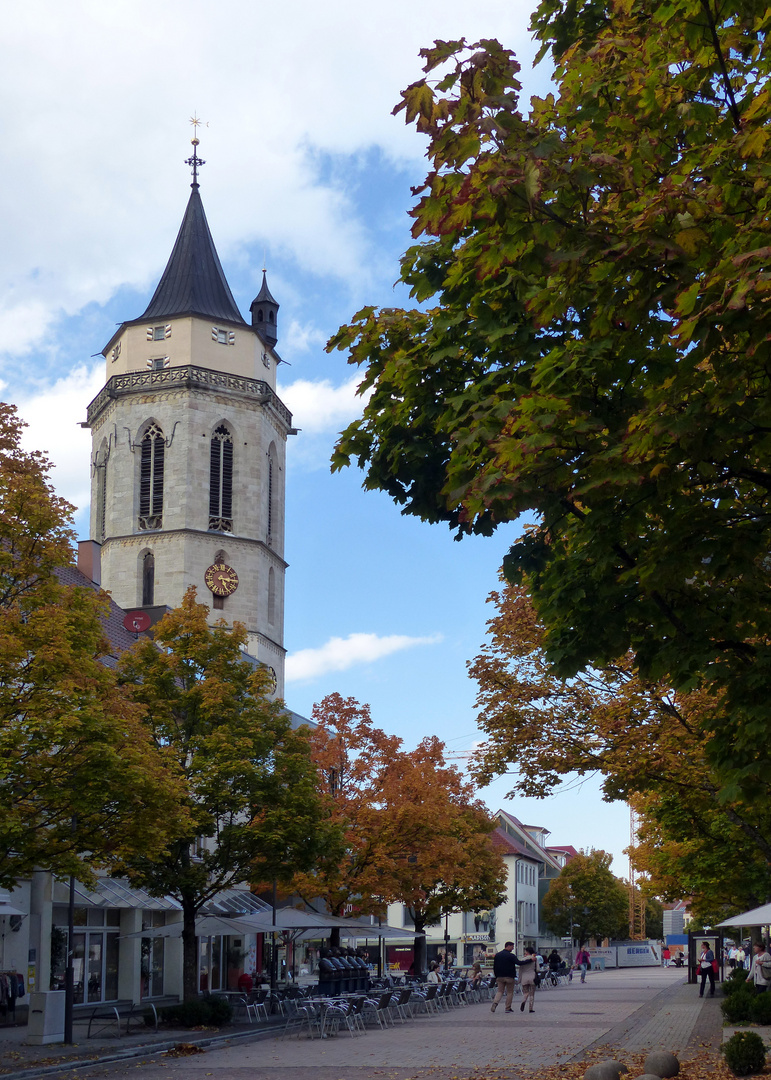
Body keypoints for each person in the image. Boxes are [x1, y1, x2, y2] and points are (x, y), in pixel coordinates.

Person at [490, 941, 519, 1013]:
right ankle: (508, 1008)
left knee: (500, 991)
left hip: (499, 976)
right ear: (508, 946)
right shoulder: (511, 956)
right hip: (509, 976)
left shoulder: (497, 955)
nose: (513, 948)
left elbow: (494, 966)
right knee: (509, 992)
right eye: (512, 947)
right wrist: (530, 960)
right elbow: (519, 963)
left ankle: (495, 1003)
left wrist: (496, 975)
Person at [518, 947, 537, 1014]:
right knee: (532, 994)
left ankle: (524, 1000)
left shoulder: (522, 959)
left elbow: (520, 971)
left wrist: (519, 979)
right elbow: (538, 969)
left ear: (526, 952)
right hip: (532, 977)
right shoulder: (534, 959)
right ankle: (531, 1008)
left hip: (524, 977)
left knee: (525, 992)